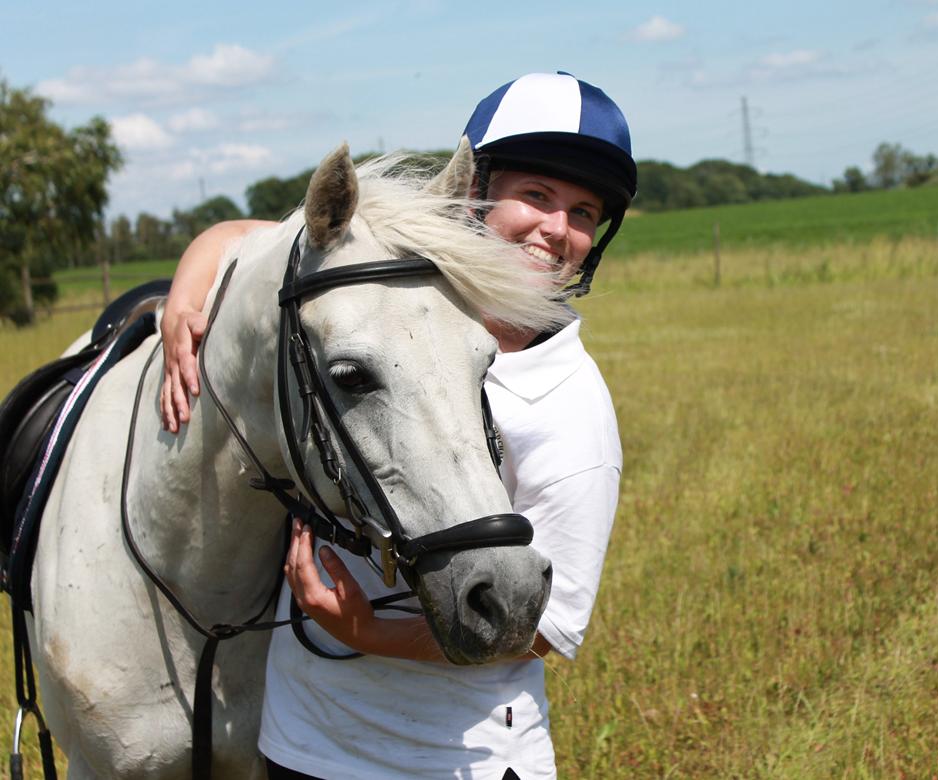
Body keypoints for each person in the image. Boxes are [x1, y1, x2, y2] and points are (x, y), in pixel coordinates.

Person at [159, 72, 636, 779]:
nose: (557, 229)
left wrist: (366, 631)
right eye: (536, 196)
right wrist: (180, 302)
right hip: (297, 734)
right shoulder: (392, 294)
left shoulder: (572, 406)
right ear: (472, 194)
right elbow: (245, 238)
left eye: (583, 211)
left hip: (440, 755)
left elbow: (544, 626)